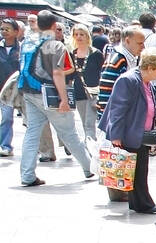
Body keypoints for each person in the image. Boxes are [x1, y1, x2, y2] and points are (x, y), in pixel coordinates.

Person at [17, 10, 96, 187]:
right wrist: (64, 99)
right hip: (49, 94)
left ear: (37, 24)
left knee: (32, 133)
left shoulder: (27, 41)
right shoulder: (55, 45)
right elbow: (57, 73)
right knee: (69, 133)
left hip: (29, 93)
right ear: (54, 26)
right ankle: (90, 168)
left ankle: (27, 175)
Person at [100, 47, 156, 213]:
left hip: (139, 134)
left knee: (139, 170)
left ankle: (140, 202)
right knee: (136, 170)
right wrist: (116, 135)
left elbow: (146, 104)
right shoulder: (128, 80)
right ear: (150, 68)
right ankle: (143, 203)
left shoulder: (145, 82)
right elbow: (117, 109)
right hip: (130, 133)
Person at [69, 24, 104, 146]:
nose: (79, 37)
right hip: (78, 92)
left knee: (90, 123)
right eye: (76, 34)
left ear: (87, 36)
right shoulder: (71, 53)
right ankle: (89, 144)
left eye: (82, 34)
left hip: (93, 92)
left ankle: (90, 147)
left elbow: (102, 73)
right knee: (84, 122)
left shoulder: (96, 53)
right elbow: (69, 74)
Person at [97, 26, 143, 118]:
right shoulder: (117, 60)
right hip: (115, 116)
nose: (143, 46)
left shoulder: (130, 58)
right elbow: (105, 90)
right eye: (139, 43)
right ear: (127, 41)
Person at [0, 19, 22, 156]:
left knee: (9, 118)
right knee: (6, 117)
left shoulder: (23, 48)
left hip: (15, 90)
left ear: (16, 31)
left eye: (7, 29)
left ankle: (5, 145)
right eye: (2, 29)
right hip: (1, 87)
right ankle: (4, 145)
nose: (4, 31)